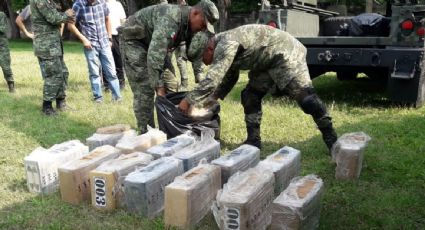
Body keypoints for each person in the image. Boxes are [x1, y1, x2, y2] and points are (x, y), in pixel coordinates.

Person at [180, 25, 338, 152]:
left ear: (208, 49)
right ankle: (253, 141)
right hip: (265, 61)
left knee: (307, 99)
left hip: (286, 52)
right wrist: (214, 97)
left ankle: (332, 139)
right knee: (250, 96)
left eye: (201, 60)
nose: (204, 64)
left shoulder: (226, 43)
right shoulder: (222, 45)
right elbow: (230, 76)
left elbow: (212, 79)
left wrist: (188, 101)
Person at [119, 0, 219, 134]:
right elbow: (154, 57)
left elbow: (195, 53)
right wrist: (159, 89)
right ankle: (146, 133)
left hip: (157, 45)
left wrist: (199, 77)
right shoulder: (171, 19)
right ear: (195, 13)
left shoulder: (192, 24)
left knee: (171, 85)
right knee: (145, 90)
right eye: (203, 24)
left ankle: (169, 129)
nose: (203, 28)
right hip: (135, 42)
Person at [68, 0, 122, 103]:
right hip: (90, 45)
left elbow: (107, 19)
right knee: (94, 73)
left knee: (111, 72)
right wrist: (83, 39)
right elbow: (70, 25)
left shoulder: (102, 3)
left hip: (104, 43)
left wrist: (109, 38)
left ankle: (117, 98)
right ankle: (98, 98)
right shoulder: (78, 5)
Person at [30, 0, 75, 115]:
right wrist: (67, 15)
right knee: (53, 76)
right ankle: (47, 107)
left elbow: (57, 16)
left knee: (63, 73)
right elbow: (53, 18)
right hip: (46, 46)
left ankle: (61, 102)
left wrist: (65, 16)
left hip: (54, 45)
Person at [103, 0, 126, 90]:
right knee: (105, 61)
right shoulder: (101, 4)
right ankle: (107, 85)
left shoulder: (118, 4)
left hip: (117, 35)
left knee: (118, 60)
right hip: (104, 36)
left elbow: (123, 20)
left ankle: (121, 83)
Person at [0, 10, 15, 93]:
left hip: (2, 46)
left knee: (5, 66)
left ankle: (11, 85)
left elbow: (2, 28)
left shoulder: (1, 15)